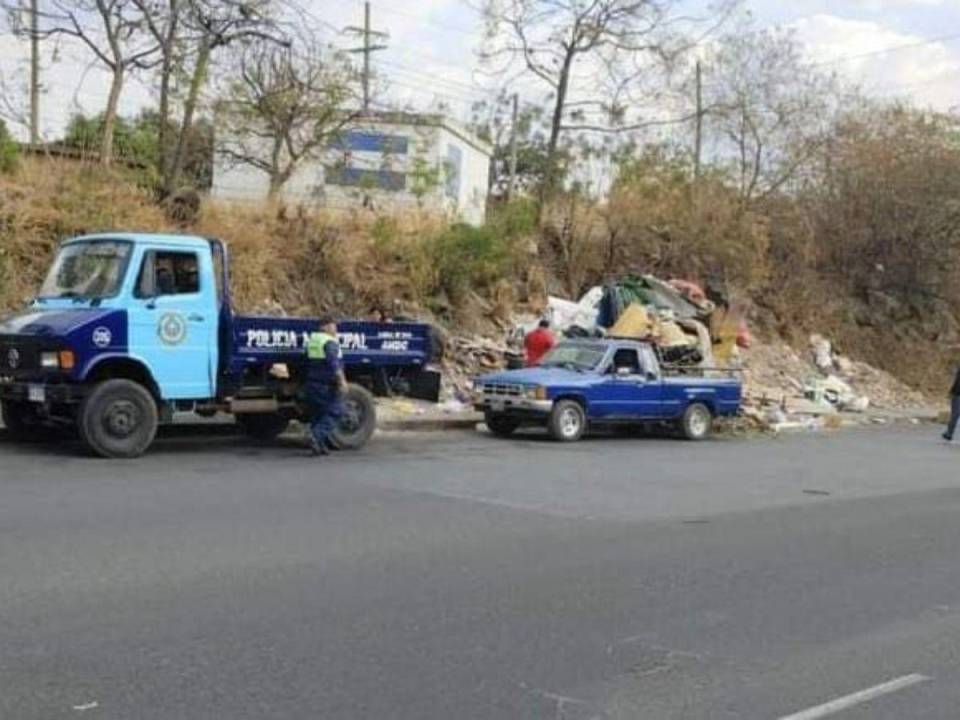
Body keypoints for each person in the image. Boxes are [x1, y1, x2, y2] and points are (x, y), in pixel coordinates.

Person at [304, 316, 347, 457]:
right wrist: (342, 381)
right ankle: (316, 435)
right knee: (336, 411)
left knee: (318, 414)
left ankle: (319, 446)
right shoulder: (329, 342)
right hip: (326, 385)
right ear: (326, 327)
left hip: (312, 383)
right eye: (334, 326)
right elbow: (333, 363)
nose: (336, 329)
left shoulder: (313, 340)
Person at [943, 366, 960, 442]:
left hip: (958, 393)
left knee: (955, 414)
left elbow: (957, 381)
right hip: (957, 393)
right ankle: (949, 433)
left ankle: (949, 433)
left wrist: (952, 392)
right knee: (955, 414)